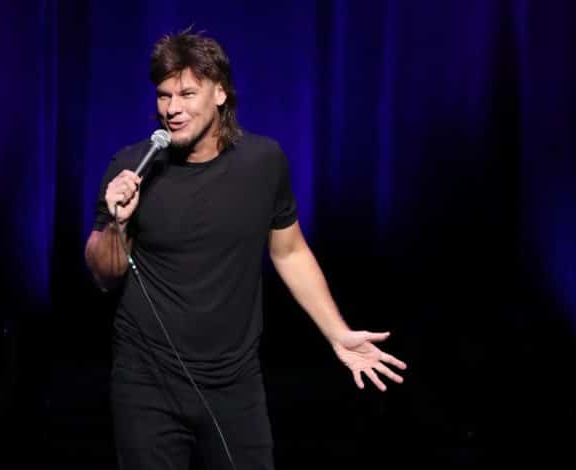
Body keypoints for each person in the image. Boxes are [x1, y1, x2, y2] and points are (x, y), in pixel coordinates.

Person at [84, 28, 407, 470]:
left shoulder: (263, 162)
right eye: (163, 96)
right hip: (147, 383)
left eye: (187, 93)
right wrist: (118, 224)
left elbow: (290, 252)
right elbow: (103, 275)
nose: (172, 109)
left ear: (220, 93)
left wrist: (338, 334)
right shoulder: (131, 167)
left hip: (234, 384)